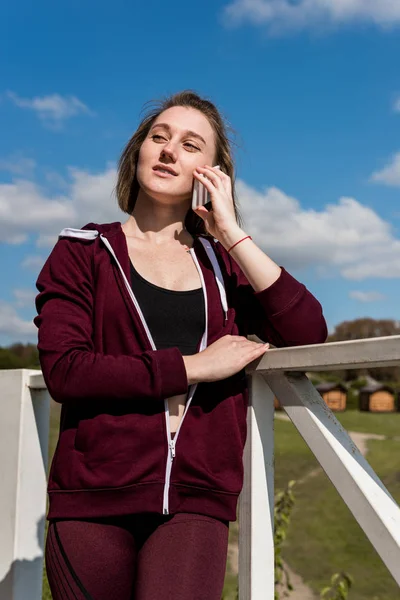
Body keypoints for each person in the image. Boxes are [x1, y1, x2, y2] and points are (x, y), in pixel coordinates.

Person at [35, 90, 327, 600]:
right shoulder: (82, 252)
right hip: (93, 498)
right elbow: (68, 371)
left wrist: (232, 231)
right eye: (159, 137)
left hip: (196, 500)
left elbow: (307, 331)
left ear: (212, 173)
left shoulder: (223, 266)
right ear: (138, 153)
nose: (169, 150)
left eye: (192, 145)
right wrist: (195, 366)